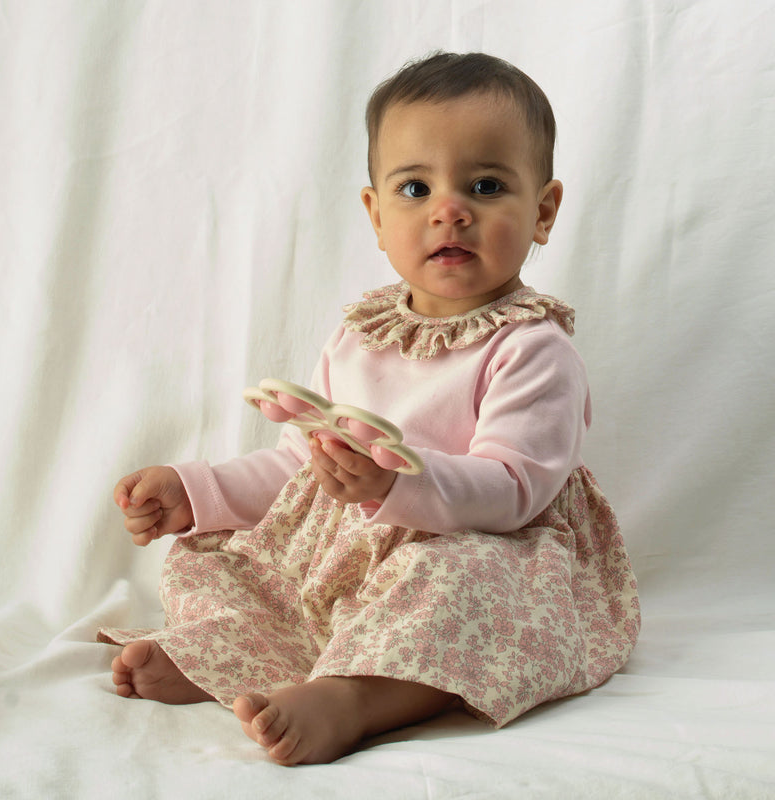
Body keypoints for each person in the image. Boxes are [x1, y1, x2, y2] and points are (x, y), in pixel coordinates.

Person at [98, 51, 640, 766]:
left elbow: (514, 490)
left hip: (481, 544)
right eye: (415, 188)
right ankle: (224, 656)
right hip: (352, 556)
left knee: (459, 586)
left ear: (542, 211)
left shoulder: (530, 349)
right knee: (219, 555)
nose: (450, 210)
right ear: (376, 215)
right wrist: (196, 491)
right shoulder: (363, 334)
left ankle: (356, 698)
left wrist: (396, 487)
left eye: (485, 185)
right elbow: (302, 467)